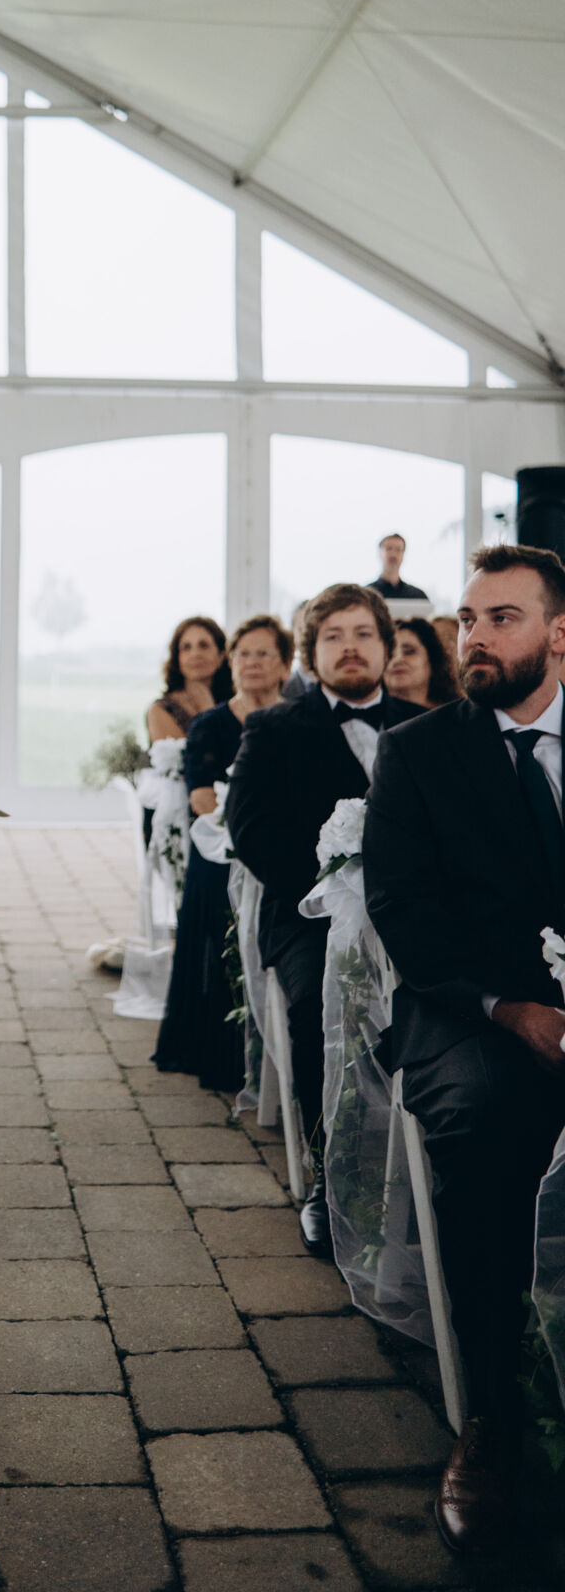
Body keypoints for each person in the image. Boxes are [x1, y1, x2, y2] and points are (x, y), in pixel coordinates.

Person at [365, 543, 565, 1560]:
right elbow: (403, 908)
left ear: (559, 633)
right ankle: (491, 1414)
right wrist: (511, 1008)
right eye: (465, 620)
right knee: (484, 1117)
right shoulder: (419, 751)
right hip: (468, 1005)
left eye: (500, 618)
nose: (472, 638)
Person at [226, 583, 421, 1255]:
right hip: (309, 917)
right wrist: (339, 891)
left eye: (364, 633)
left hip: (416, 916)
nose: (350, 647)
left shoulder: (429, 725)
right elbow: (252, 832)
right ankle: (327, 1177)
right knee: (319, 1001)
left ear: (388, 646)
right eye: (333, 636)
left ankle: (428, 1164)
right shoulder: (273, 728)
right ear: (311, 654)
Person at [156, 614, 292, 1092]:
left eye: (263, 653)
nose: (252, 663)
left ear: (285, 665)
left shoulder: (299, 718)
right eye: (243, 654)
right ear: (230, 664)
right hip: (222, 852)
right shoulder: (210, 725)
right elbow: (202, 799)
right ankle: (226, 1054)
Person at [147, 616, 231, 742]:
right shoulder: (161, 710)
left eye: (203, 645)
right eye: (186, 647)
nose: (195, 654)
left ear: (221, 656)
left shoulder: (235, 703)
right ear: (177, 658)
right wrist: (208, 712)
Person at [383, 615, 459, 709]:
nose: (397, 660)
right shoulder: (368, 714)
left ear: (432, 660)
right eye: (390, 654)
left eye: (409, 651)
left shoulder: (457, 713)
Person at [367, 532, 433, 618]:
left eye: (398, 550)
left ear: (403, 554)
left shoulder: (418, 596)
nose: (393, 554)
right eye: (389, 549)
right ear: (379, 553)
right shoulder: (366, 595)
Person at [282, 599, 314, 701]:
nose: (307, 636)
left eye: (312, 630)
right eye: (301, 629)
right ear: (293, 634)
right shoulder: (281, 690)